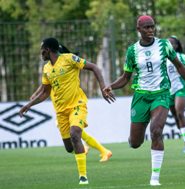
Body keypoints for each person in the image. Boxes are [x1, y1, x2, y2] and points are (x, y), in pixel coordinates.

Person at [103, 15, 185, 186]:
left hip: (161, 94)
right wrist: (111, 86)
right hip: (141, 97)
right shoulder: (132, 51)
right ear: (139, 30)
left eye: (152, 27)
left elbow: (180, 66)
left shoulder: (164, 45)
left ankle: (155, 178)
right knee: (136, 143)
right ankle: (132, 140)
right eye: (146, 28)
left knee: (156, 131)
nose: (151, 30)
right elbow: (126, 77)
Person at [19, 37, 115, 185]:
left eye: (41, 51)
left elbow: (94, 67)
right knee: (69, 147)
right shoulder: (46, 69)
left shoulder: (70, 59)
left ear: (47, 50)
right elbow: (45, 92)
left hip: (77, 105)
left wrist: (103, 88)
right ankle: (83, 150)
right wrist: (30, 104)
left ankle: (83, 177)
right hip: (61, 112)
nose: (41, 54)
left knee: (75, 133)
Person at [31, 45, 113, 163]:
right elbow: (45, 84)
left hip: (72, 108)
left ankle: (100, 150)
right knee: (77, 134)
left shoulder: (65, 65)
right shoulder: (51, 72)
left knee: (76, 134)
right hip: (62, 111)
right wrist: (36, 94)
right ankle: (99, 150)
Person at [166, 36, 185, 153]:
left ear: (176, 45)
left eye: (171, 43)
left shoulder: (183, 57)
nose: (169, 45)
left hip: (180, 88)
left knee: (179, 112)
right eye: (167, 43)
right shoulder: (161, 58)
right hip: (168, 90)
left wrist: (183, 71)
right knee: (176, 118)